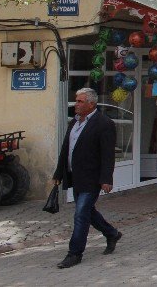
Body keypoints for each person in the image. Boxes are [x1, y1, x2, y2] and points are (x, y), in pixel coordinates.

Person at [53, 88, 121, 269]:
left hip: (92, 177)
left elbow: (108, 155)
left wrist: (106, 178)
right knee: (88, 212)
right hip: (76, 175)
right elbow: (66, 149)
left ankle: (74, 253)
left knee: (81, 214)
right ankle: (111, 233)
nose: (77, 104)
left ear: (92, 104)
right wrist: (58, 174)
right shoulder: (73, 123)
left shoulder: (104, 123)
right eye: (76, 101)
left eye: (81, 101)